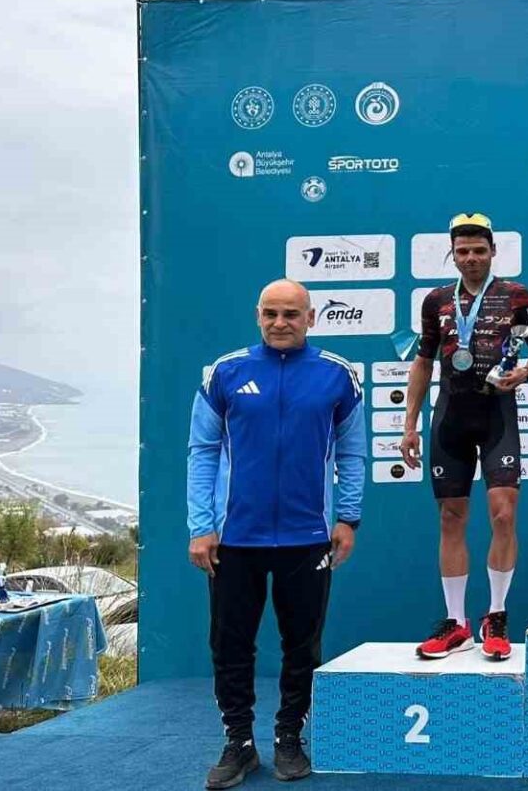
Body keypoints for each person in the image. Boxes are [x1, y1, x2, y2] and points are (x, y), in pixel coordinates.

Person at [187, 279, 366, 789]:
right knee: (230, 645)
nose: (280, 323)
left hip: (308, 537)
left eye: (290, 314)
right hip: (234, 539)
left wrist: (348, 517)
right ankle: (238, 743)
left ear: (311, 318)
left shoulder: (338, 376)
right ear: (257, 316)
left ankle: (290, 736)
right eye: (271, 313)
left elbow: (352, 452)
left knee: (302, 646)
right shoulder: (225, 373)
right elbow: (202, 452)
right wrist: (202, 527)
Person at [402, 213, 528, 661]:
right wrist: (409, 424)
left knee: (504, 515)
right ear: (453, 254)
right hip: (450, 417)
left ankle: (496, 615)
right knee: (451, 518)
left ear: (492, 252)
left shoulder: (515, 295)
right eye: (463, 251)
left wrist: (526, 372)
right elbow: (423, 362)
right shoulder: (436, 301)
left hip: (496, 414)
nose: (471, 258)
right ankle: (456, 623)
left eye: (479, 250)